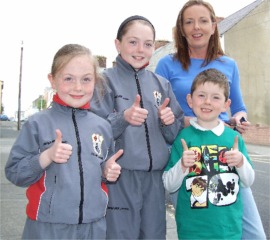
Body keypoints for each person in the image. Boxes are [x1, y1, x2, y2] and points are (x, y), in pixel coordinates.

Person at [155, 0, 266, 239]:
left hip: (224, 152)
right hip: (186, 154)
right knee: (197, 227)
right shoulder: (166, 64)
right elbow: (159, 111)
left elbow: (237, 107)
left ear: (214, 26)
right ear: (181, 29)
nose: (197, 27)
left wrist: (240, 118)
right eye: (189, 21)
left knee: (253, 234)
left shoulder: (229, 64)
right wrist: (189, 122)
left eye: (203, 20)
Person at [5, 43, 123, 240]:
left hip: (93, 227)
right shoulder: (37, 124)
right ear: (52, 80)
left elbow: (100, 173)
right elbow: (15, 173)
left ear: (95, 81)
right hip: (47, 227)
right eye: (68, 79)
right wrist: (46, 157)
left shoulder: (103, 127)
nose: (78, 87)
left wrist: (106, 172)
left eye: (86, 79)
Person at [90, 15, 184, 239]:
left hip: (154, 181)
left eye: (148, 44)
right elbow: (93, 132)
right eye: (133, 42)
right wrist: (123, 117)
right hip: (120, 178)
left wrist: (168, 122)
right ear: (117, 44)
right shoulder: (104, 82)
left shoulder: (162, 84)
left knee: (153, 235)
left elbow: (174, 136)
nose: (140, 49)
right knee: (120, 235)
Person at [163, 68, 255, 239]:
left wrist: (240, 161)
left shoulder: (233, 139)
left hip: (228, 231)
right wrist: (182, 165)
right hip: (192, 231)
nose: (207, 102)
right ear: (190, 100)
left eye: (215, 97)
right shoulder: (183, 138)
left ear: (226, 104)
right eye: (201, 95)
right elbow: (169, 185)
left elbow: (248, 181)